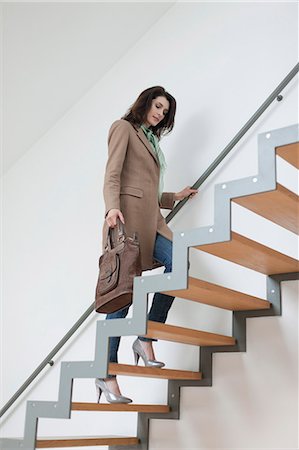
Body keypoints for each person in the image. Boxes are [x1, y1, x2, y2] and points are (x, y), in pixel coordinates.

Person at [95, 86, 198, 403]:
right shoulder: (123, 128)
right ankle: (105, 373)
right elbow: (113, 173)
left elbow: (147, 188)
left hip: (153, 221)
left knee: (180, 261)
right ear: (144, 103)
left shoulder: (152, 141)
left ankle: (146, 335)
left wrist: (172, 198)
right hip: (127, 221)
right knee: (122, 298)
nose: (160, 113)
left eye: (165, 111)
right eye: (157, 106)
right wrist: (112, 207)